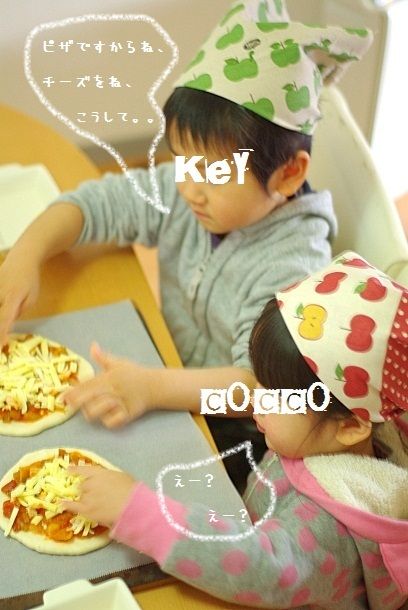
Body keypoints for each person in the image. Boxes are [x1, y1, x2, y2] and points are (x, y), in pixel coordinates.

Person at [0, 1, 372, 487]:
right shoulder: (194, 189)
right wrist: (26, 255)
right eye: (181, 160)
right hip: (163, 368)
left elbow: (256, 390)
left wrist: (153, 388)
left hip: (236, 431)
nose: (189, 187)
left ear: (288, 174)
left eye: (214, 173)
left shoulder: (293, 267)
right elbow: (97, 204)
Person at [63, 252, 408, 609]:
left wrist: (137, 511)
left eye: (277, 396)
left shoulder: (331, 529)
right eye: (260, 382)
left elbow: (259, 566)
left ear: (350, 426)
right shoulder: (350, 422)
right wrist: (151, 388)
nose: (256, 400)